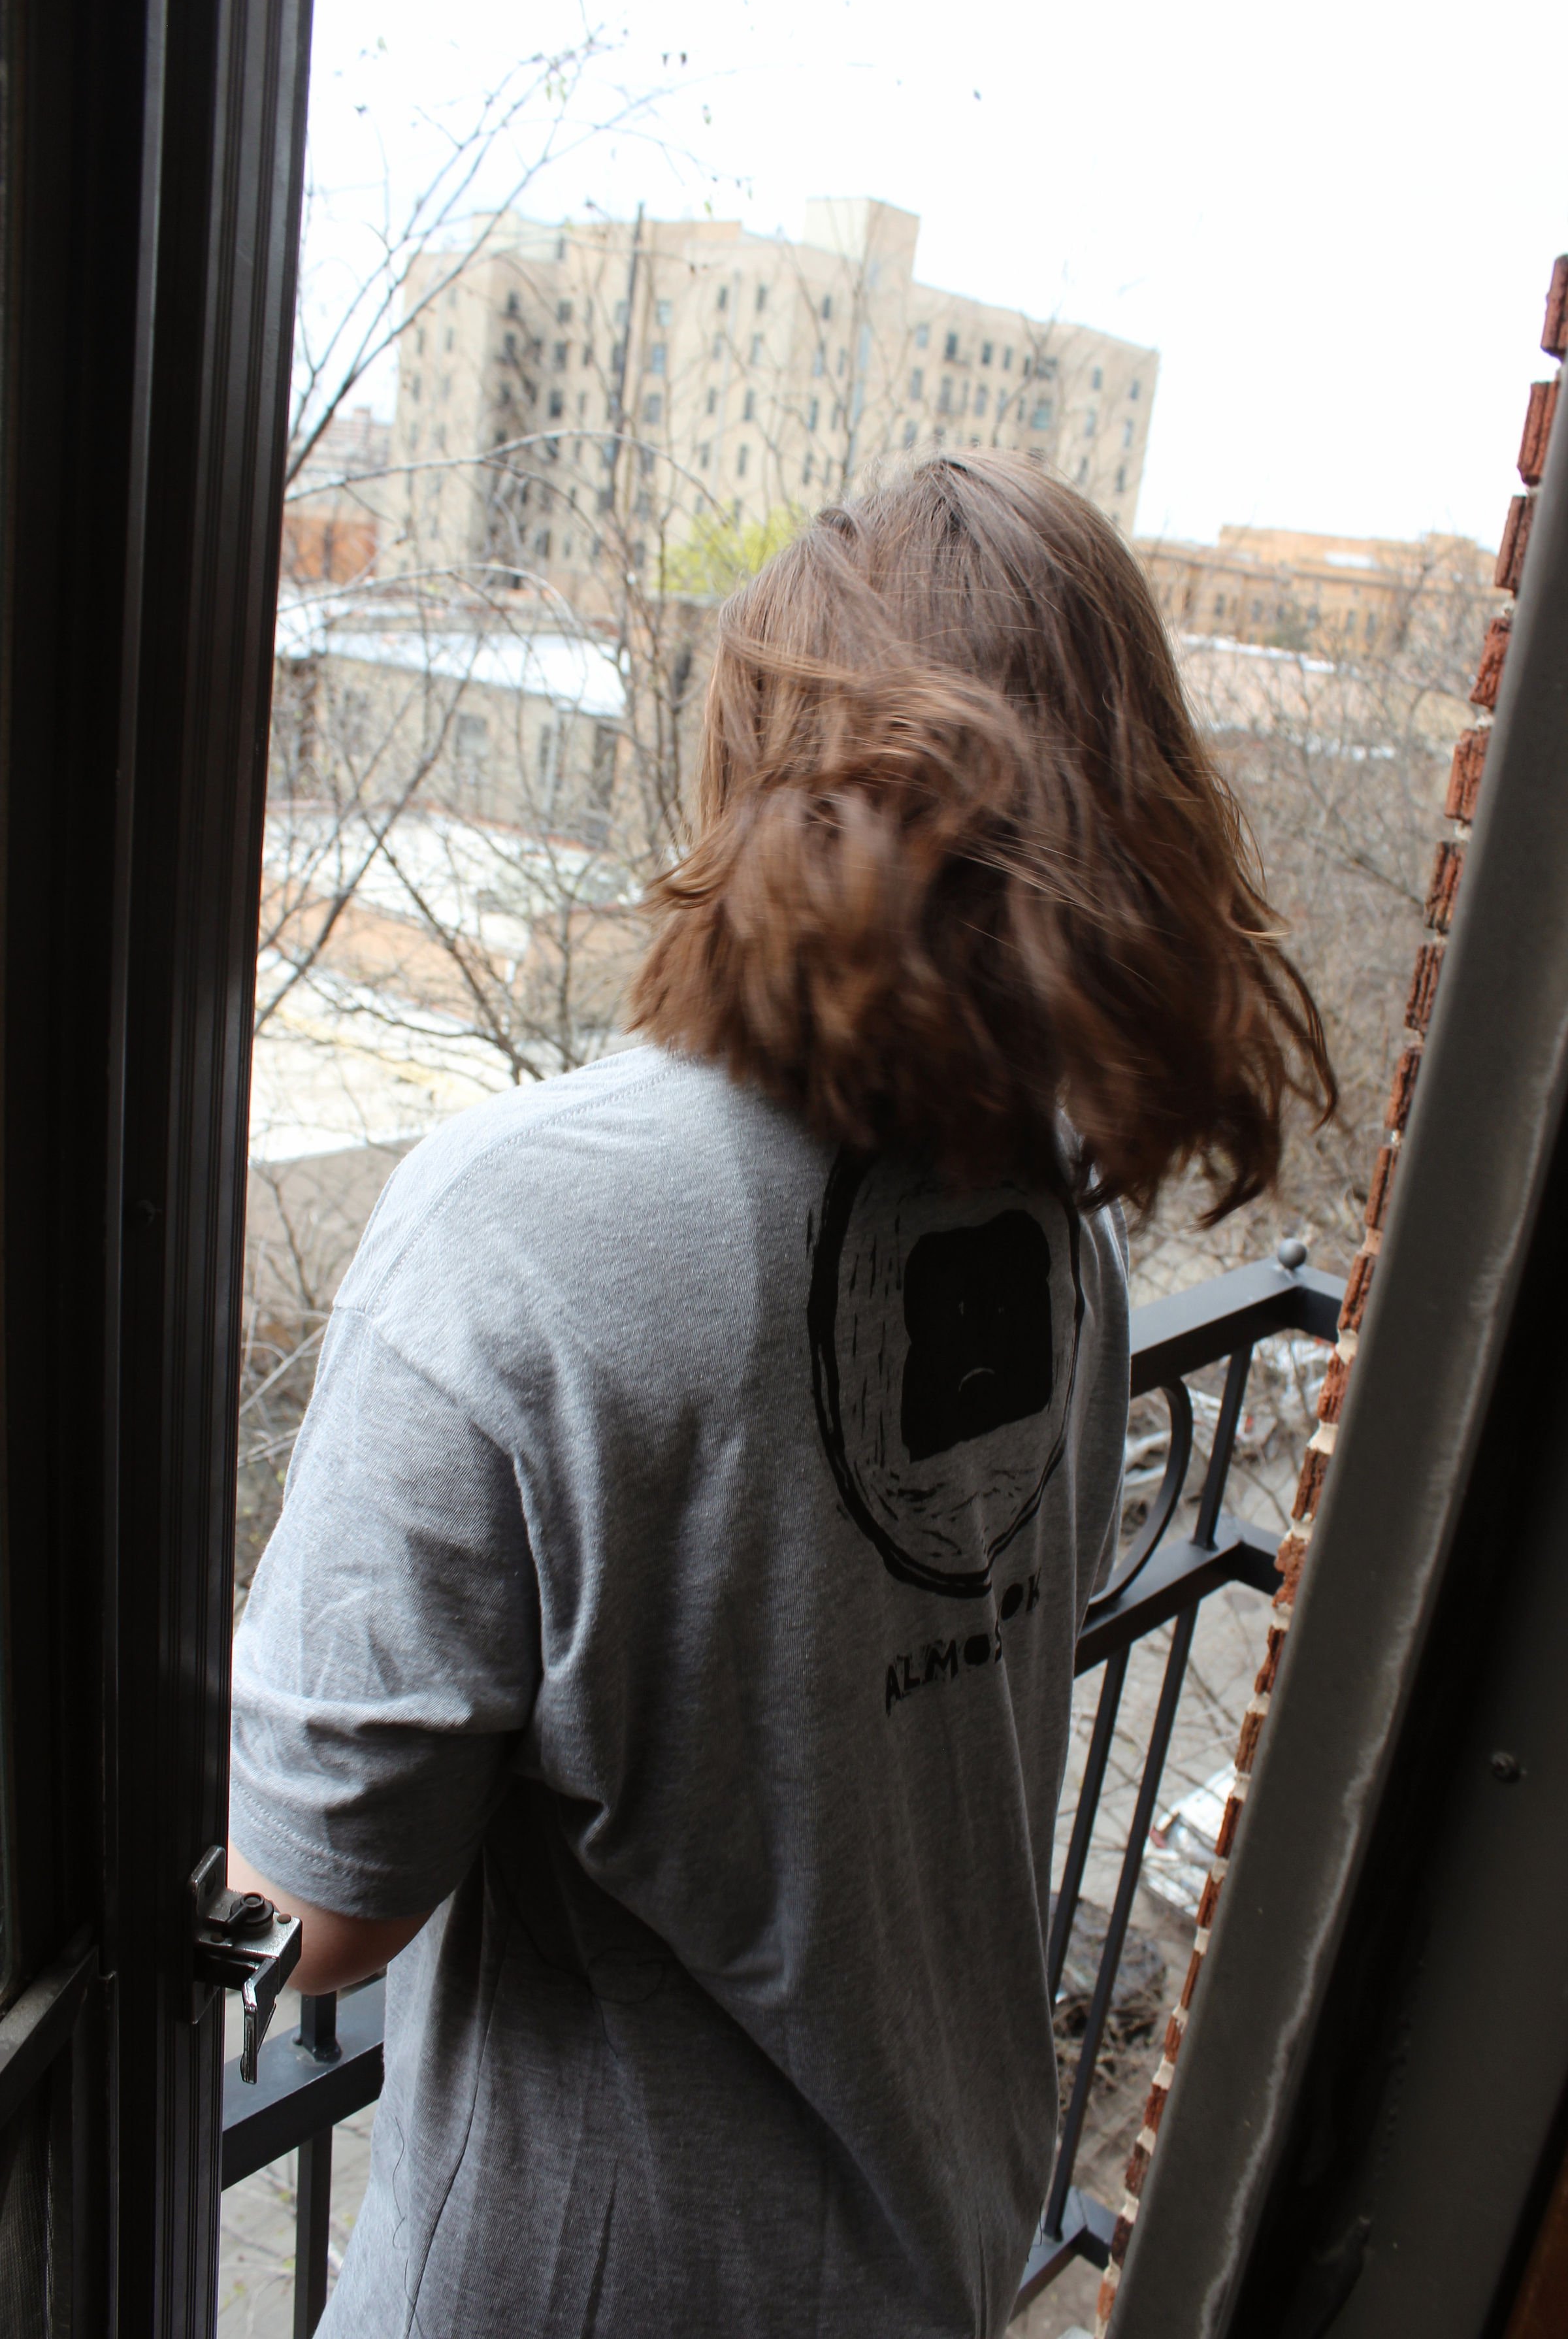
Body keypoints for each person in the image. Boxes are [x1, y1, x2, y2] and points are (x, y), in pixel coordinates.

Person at [229, 451, 1333, 2338]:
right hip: (936, 2238)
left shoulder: (521, 1229)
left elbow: (319, 1910)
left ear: (763, 773)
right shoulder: (1057, 1219)